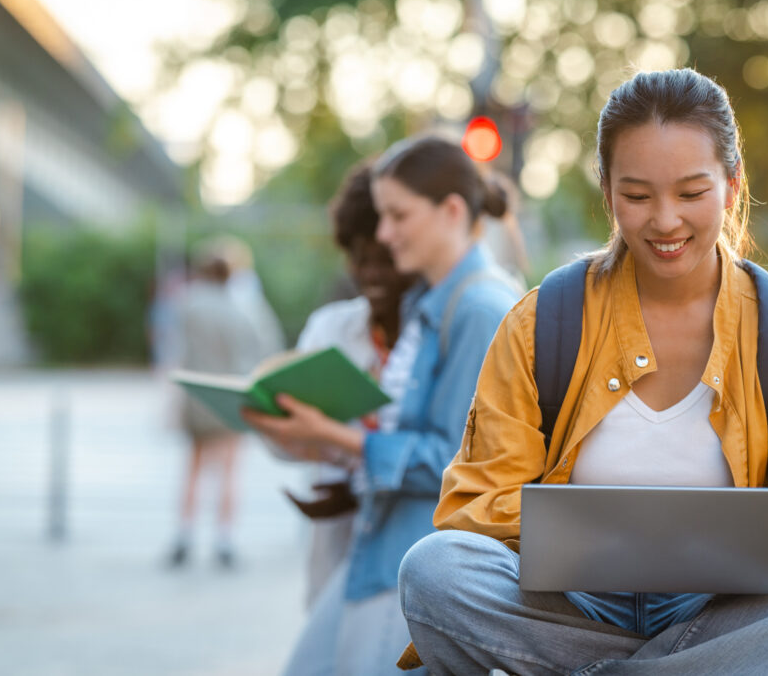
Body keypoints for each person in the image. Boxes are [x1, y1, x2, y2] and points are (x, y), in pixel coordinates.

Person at [396, 68, 768, 676]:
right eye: (637, 195)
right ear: (606, 191)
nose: (665, 221)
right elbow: (473, 506)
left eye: (690, 192)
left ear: (731, 186)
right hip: (570, 605)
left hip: (726, 607)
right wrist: (601, 537)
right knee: (433, 570)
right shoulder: (541, 321)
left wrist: (709, 545)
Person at [243, 135, 522, 676]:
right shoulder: (433, 302)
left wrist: (333, 435)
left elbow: (456, 466)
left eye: (397, 215)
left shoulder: (480, 311)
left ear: (451, 211)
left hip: (419, 565)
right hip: (384, 552)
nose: (384, 233)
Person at [284, 161, 414, 609]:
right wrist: (294, 435)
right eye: (358, 257)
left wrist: (363, 475)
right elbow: (288, 444)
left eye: (384, 258)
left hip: (412, 551)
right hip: (339, 551)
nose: (370, 272)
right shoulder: (331, 330)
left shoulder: (444, 331)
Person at [168, 241, 265, 568]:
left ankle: (184, 534)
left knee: (193, 469)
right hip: (230, 397)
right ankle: (225, 539)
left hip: (197, 396)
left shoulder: (189, 305)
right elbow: (260, 350)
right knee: (229, 471)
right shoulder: (241, 309)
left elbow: (178, 352)